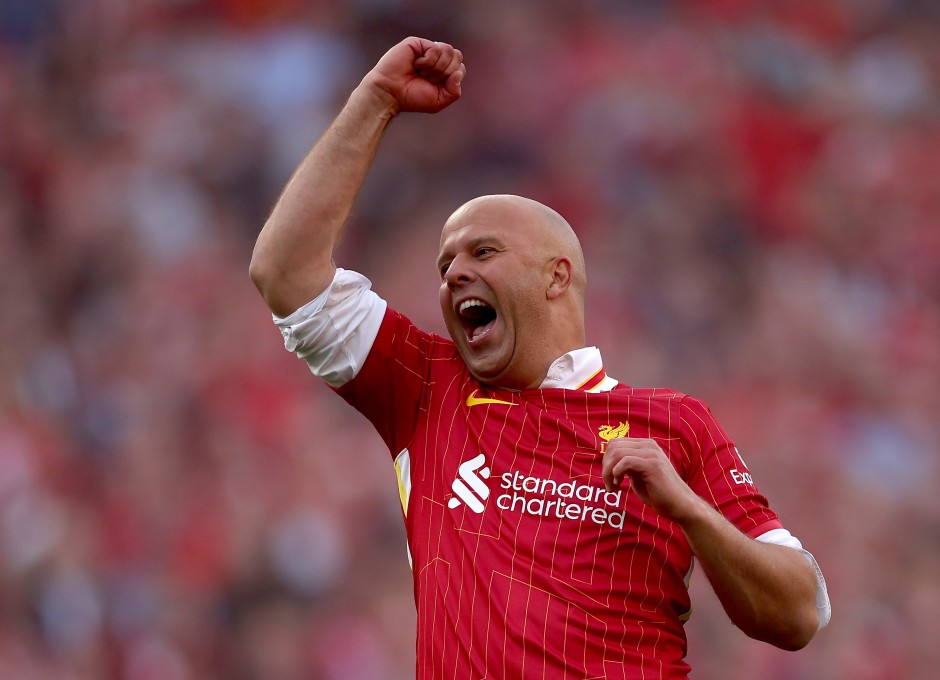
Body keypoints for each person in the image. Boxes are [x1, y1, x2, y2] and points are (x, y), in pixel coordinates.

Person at [249, 36, 830, 679]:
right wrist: (375, 101)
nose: (454, 276)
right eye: (445, 264)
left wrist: (687, 509)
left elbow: (798, 613)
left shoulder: (673, 425)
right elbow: (284, 272)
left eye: (483, 253)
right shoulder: (425, 390)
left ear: (556, 278)